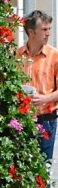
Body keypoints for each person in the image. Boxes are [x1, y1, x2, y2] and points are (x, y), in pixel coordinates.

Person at [17, 10, 58, 161]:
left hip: (46, 119)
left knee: (42, 167)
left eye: (49, 29)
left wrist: (45, 98)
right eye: (44, 30)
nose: (48, 33)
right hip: (21, 120)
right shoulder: (17, 55)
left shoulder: (54, 56)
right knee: (23, 166)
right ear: (31, 32)